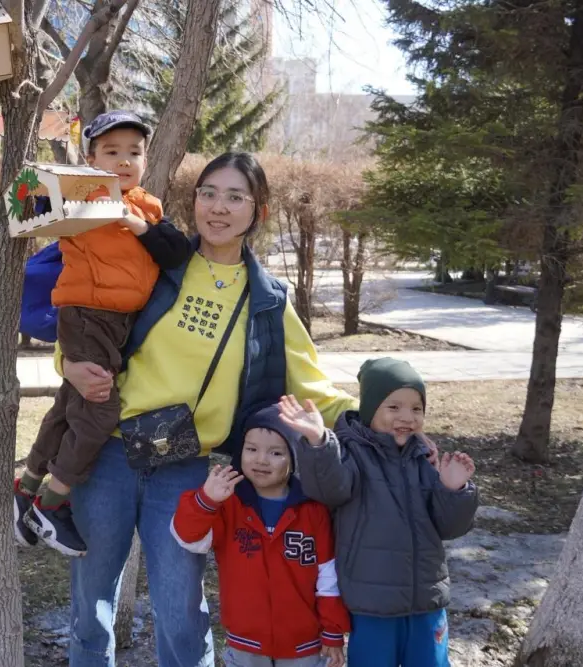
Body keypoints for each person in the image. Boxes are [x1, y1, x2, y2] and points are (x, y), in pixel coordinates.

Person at [56, 151, 359, 667]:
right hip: (106, 454)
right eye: (208, 193)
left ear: (258, 212)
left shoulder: (268, 299)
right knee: (91, 602)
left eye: (235, 197)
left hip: (185, 468)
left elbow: (312, 385)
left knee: (181, 611)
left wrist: (374, 414)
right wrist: (68, 365)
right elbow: (89, 319)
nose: (218, 208)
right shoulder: (157, 263)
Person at [14, 110, 191, 557]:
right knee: (98, 413)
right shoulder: (84, 193)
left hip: (118, 325)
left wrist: (136, 224)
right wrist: (63, 193)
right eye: (111, 152)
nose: (124, 160)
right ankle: (52, 505)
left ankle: (28, 487)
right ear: (91, 157)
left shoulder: (148, 205)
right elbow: (19, 205)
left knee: (71, 405)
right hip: (86, 315)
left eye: (134, 152)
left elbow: (175, 254)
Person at [281, 357, 480, 667]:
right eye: (394, 407)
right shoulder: (350, 453)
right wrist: (318, 443)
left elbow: (449, 527)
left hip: (426, 601)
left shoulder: (422, 457)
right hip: (372, 605)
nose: (407, 417)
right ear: (371, 408)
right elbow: (328, 488)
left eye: (417, 408)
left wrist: (453, 490)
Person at [171, 404, 349, 667]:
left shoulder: (312, 509)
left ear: (294, 457)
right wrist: (205, 501)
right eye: (251, 449)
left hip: (304, 647)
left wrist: (333, 630)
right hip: (246, 644)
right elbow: (188, 538)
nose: (261, 460)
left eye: (276, 452)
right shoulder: (229, 504)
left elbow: (328, 576)